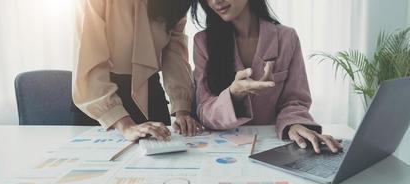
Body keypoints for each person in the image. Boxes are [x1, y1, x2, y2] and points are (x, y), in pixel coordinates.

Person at [191, 0, 342, 153]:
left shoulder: (286, 38)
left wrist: (293, 124)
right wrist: (233, 94)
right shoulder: (203, 42)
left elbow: (294, 101)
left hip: (273, 148)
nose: (216, 1)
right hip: (221, 151)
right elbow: (204, 111)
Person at [73, 0, 201, 142]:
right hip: (99, 98)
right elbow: (89, 59)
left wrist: (182, 112)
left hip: (150, 92)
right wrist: (126, 126)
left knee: (167, 156)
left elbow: (175, 57)